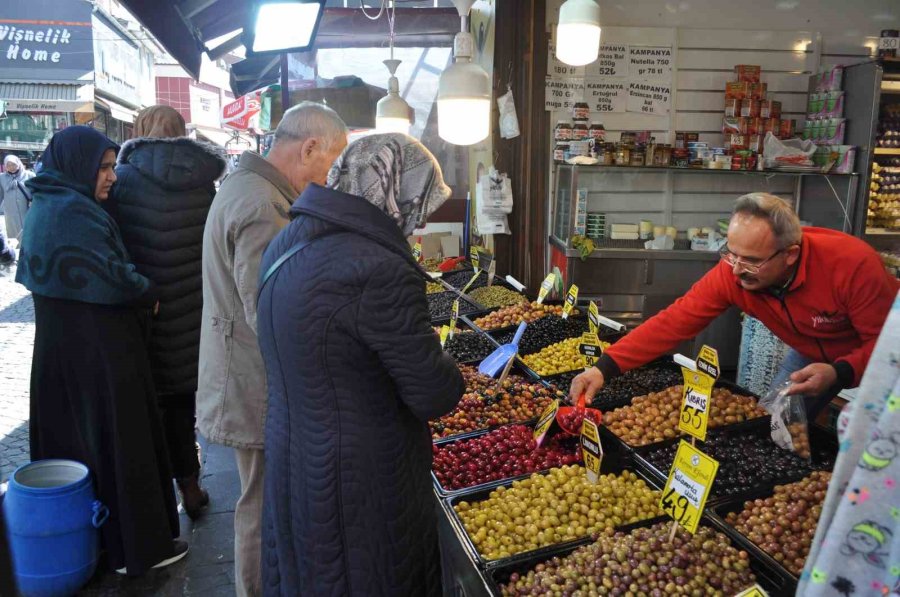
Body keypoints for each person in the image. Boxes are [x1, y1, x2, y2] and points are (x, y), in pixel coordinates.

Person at [256, 133, 465, 596]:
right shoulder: (378, 267)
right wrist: (448, 361)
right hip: (358, 481)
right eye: (420, 203)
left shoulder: (286, 241)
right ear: (395, 194)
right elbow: (433, 391)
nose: (420, 220)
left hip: (294, 455)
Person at [15, 126, 184, 575]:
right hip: (99, 358)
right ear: (78, 167)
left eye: (111, 166)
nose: (111, 177)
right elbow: (112, 278)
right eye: (103, 168)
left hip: (70, 356)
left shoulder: (51, 201)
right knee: (119, 443)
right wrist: (148, 290)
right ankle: (136, 548)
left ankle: (102, 546)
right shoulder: (71, 211)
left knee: (87, 445)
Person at [196, 101, 348, 597]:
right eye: (331, 162)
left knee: (260, 500)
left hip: (241, 373)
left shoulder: (248, 188)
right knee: (262, 506)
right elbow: (272, 315)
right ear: (309, 148)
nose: (330, 178)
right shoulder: (264, 205)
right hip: (253, 383)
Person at [571, 193, 898, 416]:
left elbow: (888, 347)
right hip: (811, 353)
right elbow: (676, 320)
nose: (737, 269)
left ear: (791, 255)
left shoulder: (852, 266)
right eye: (731, 253)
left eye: (752, 261)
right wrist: (605, 367)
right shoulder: (734, 271)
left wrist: (840, 371)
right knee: (774, 423)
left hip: (882, 359)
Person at [106, 105, 226, 519]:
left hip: (145, 314)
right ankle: (190, 487)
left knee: (147, 406)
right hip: (193, 311)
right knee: (181, 403)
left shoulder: (125, 180)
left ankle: (154, 503)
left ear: (140, 131)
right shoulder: (203, 182)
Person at [0, 155, 34, 243]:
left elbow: (36, 192)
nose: (11, 167)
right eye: (8, 165)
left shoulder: (29, 175)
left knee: (29, 232)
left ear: (18, 163)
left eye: (13, 164)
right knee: (13, 236)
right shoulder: (2, 178)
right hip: (10, 212)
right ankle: (16, 253)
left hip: (27, 210)